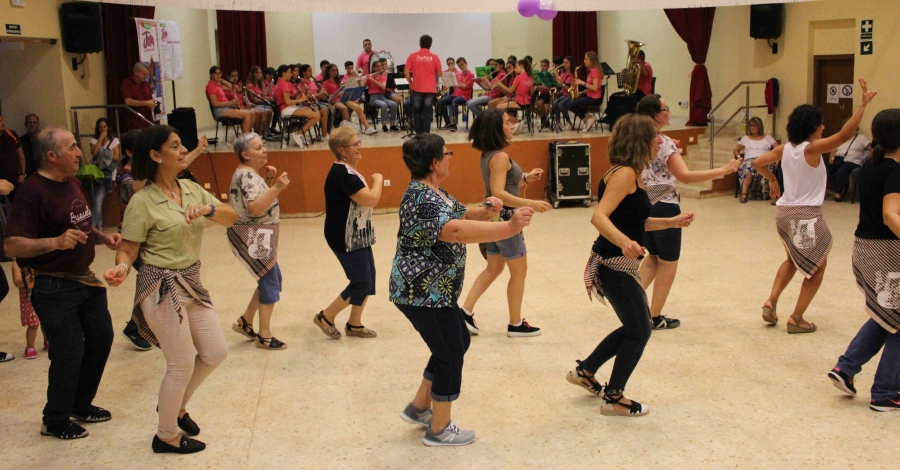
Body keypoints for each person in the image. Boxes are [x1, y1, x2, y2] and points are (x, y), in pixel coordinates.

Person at [391, 133, 534, 446]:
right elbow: (454, 230)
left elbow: (461, 215)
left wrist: (486, 210)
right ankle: (439, 429)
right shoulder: (422, 198)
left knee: (457, 342)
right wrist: (507, 227)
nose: (450, 156)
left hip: (436, 292)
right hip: (422, 293)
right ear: (434, 162)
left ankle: (419, 408)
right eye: (447, 152)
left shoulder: (432, 191)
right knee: (450, 353)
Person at [104, 125, 238, 454]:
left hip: (190, 282)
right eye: (175, 146)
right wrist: (121, 268)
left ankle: (176, 405)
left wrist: (209, 209)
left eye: (182, 145)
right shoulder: (142, 201)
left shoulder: (191, 188)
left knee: (215, 352)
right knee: (180, 365)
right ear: (155, 155)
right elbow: (129, 250)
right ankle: (165, 435)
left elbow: (231, 217)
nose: (182, 151)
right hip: (159, 286)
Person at [567, 114, 695, 417]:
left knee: (634, 327)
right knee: (640, 331)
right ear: (640, 140)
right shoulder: (624, 174)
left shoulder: (635, 174)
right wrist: (624, 241)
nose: (660, 142)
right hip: (612, 265)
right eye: (655, 137)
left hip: (621, 266)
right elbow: (599, 216)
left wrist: (671, 221)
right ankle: (613, 397)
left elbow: (638, 221)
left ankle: (586, 371)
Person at [4, 126, 120, 439]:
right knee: (69, 352)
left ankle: (80, 405)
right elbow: (12, 245)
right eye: (72, 147)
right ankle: (54, 420)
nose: (80, 152)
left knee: (100, 339)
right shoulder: (32, 192)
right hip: (51, 284)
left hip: (84, 279)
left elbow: (78, 223)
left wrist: (102, 236)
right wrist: (53, 243)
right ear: (52, 156)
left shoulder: (71, 181)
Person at [754, 78, 877, 333]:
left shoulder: (784, 149)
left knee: (791, 260)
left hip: (784, 213)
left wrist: (773, 179)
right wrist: (862, 106)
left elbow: (758, 163)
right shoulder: (812, 149)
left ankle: (771, 300)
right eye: (820, 124)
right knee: (817, 266)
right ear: (812, 128)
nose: (823, 127)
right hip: (805, 215)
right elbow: (845, 135)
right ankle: (796, 318)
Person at [635, 94, 740, 330]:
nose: (670, 112)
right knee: (668, 262)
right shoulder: (664, 143)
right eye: (666, 108)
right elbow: (686, 176)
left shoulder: (636, 138)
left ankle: (634, 306)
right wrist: (723, 169)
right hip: (664, 204)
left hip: (642, 202)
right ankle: (654, 316)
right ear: (656, 115)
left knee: (652, 257)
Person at [827, 108, 900, 412]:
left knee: (887, 315)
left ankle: (846, 368)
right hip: (886, 253)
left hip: (866, 249)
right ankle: (885, 392)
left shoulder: (870, 165)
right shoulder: (895, 170)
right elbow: (890, 214)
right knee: (898, 320)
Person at [460, 108, 549, 337]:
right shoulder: (499, 157)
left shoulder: (489, 154)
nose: (512, 126)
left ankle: (465, 312)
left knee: (494, 267)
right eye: (507, 123)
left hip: (493, 214)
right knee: (519, 271)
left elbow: (503, 186)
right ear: (495, 129)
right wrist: (531, 202)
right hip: (506, 218)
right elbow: (499, 192)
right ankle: (515, 324)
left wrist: (526, 178)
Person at [314, 127, 383, 340]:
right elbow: (371, 199)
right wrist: (378, 180)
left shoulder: (348, 170)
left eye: (359, 142)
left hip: (357, 233)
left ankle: (354, 324)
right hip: (344, 236)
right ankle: (326, 316)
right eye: (355, 144)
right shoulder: (342, 173)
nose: (360, 147)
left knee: (368, 278)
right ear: (341, 150)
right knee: (361, 281)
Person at [228, 133, 290, 350]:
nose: (264, 150)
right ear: (245, 154)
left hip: (260, 233)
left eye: (263, 146)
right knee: (270, 281)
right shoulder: (247, 176)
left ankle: (245, 320)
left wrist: (269, 182)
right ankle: (264, 335)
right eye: (258, 148)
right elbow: (254, 208)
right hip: (254, 234)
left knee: (271, 277)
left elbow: (254, 201)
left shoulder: (249, 175)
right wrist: (277, 188)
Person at [273, 64, 320, 148]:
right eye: (289, 72)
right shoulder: (284, 84)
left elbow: (286, 98)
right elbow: (287, 102)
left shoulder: (278, 83)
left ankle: (300, 133)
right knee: (316, 116)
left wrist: (300, 95)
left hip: (286, 108)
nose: (291, 74)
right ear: (284, 73)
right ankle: (299, 133)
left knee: (313, 111)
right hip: (286, 109)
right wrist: (302, 99)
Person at [321, 63, 377, 134]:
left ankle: (367, 127)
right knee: (344, 108)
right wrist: (338, 93)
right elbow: (325, 97)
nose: (335, 72)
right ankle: (347, 129)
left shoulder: (338, 81)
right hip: (333, 101)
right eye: (333, 70)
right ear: (328, 71)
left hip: (342, 99)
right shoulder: (326, 83)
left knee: (357, 107)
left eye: (336, 70)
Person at [733, 117, 777, 203]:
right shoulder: (746, 138)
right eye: (750, 126)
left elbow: (777, 148)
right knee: (750, 166)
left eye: (754, 125)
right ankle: (744, 193)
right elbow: (736, 150)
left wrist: (775, 158)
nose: (752, 127)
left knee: (761, 165)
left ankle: (759, 191)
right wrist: (739, 158)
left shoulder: (767, 138)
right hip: (749, 160)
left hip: (764, 159)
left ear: (759, 126)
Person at [404, 35, 442, 134]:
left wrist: (410, 82)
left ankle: (418, 134)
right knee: (427, 112)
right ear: (430, 44)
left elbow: (406, 72)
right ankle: (426, 134)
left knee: (416, 111)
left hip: (416, 87)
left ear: (420, 43)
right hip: (430, 89)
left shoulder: (412, 56)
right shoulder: (435, 57)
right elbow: (440, 73)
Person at [206, 66, 259, 135]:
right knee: (248, 114)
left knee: (253, 113)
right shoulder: (211, 86)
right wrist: (230, 102)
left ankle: (249, 135)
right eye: (216, 74)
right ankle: (245, 138)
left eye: (219, 73)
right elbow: (214, 104)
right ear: (211, 74)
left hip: (226, 109)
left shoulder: (218, 85)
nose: (218, 75)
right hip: (220, 111)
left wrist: (222, 80)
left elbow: (231, 87)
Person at [88, 118, 121, 230]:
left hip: (107, 174)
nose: (103, 129)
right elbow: (94, 153)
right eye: (100, 127)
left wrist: (105, 155)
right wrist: (101, 138)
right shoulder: (94, 140)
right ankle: (99, 228)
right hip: (95, 174)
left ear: (108, 127)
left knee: (98, 201)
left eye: (105, 126)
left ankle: (91, 227)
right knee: (95, 201)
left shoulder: (114, 140)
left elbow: (117, 157)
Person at [828, 124, 873, 202]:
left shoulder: (861, 138)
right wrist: (831, 158)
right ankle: (843, 186)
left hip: (853, 161)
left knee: (840, 172)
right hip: (839, 159)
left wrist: (867, 159)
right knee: (825, 170)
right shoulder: (840, 138)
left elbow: (871, 150)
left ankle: (838, 193)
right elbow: (833, 150)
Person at [12, 261, 46, 359]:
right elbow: (17, 282)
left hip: (43, 294)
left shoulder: (40, 259)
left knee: (47, 320)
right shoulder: (18, 263)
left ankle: (48, 340)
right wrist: (31, 277)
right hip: (29, 299)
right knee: (33, 324)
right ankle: (30, 347)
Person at [493, 59, 534, 134]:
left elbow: (510, 91)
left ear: (521, 66)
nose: (515, 68)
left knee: (498, 109)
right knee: (500, 108)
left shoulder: (518, 77)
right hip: (527, 102)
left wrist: (500, 84)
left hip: (520, 102)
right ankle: (512, 124)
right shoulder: (530, 77)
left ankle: (517, 122)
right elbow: (531, 92)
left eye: (516, 66)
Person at [566, 51, 604, 132]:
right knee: (571, 103)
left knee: (571, 104)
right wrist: (581, 92)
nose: (584, 61)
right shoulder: (591, 71)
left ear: (592, 60)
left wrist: (582, 82)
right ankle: (587, 118)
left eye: (586, 59)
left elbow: (595, 88)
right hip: (590, 96)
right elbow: (591, 87)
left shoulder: (595, 71)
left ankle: (587, 118)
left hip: (595, 98)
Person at [437, 57, 474, 132]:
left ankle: (454, 125)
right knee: (440, 101)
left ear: (466, 63)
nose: (461, 67)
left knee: (454, 101)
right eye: (459, 66)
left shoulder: (471, 74)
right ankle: (448, 122)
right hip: (455, 94)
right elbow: (455, 84)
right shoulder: (458, 74)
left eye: (462, 65)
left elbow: (468, 87)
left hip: (464, 96)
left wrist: (461, 85)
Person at [243, 66, 278, 136]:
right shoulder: (250, 85)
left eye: (260, 73)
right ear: (253, 74)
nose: (259, 74)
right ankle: (261, 132)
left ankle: (266, 130)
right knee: (274, 104)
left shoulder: (260, 84)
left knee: (273, 106)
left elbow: (262, 95)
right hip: (255, 103)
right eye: (257, 73)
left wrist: (268, 98)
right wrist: (265, 99)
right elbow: (254, 99)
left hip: (261, 101)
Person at [122, 62, 157, 130]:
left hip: (148, 121)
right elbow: (128, 101)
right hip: (135, 122)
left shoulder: (146, 84)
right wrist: (146, 103)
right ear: (136, 72)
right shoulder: (127, 83)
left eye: (146, 74)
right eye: (144, 74)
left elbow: (150, 99)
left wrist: (155, 104)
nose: (146, 76)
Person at [367, 60, 399, 133]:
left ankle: (392, 125)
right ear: (374, 68)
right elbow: (363, 85)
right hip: (373, 98)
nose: (379, 68)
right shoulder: (370, 77)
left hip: (382, 97)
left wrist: (372, 79)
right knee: (383, 105)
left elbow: (383, 87)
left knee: (394, 104)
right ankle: (384, 125)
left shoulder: (383, 77)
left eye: (380, 66)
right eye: (377, 66)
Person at [0, 115, 26, 199]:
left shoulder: (11, 134)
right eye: (0, 121)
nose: (2, 123)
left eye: (2, 120)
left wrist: (22, 173)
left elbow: (21, 155)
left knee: (18, 202)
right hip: (1, 180)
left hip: (14, 177)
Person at [551, 56, 575, 130]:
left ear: (571, 64)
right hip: (564, 94)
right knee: (555, 102)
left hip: (570, 95)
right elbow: (560, 84)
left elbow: (571, 89)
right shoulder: (563, 73)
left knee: (561, 104)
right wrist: (556, 77)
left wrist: (562, 84)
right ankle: (558, 122)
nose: (564, 64)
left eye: (566, 63)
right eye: (564, 62)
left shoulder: (572, 75)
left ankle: (569, 122)